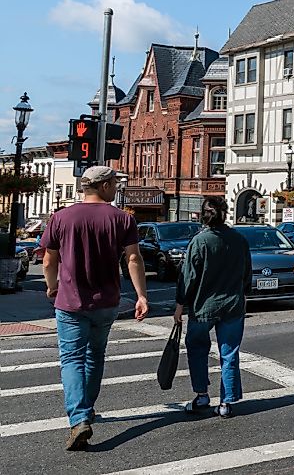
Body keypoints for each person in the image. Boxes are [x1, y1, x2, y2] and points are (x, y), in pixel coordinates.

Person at [42, 166, 149, 451]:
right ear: (103, 186)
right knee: (95, 356)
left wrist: (52, 287)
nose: (116, 187)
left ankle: (79, 419)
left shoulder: (61, 218)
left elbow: (49, 261)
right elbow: (134, 259)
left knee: (72, 359)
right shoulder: (121, 220)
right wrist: (141, 296)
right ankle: (86, 410)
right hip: (106, 302)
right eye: (114, 183)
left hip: (71, 302)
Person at [174, 197, 251, 419]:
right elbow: (247, 274)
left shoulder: (200, 242)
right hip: (233, 306)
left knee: (197, 348)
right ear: (225, 213)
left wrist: (180, 304)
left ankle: (201, 394)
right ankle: (227, 401)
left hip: (203, 307)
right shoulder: (239, 240)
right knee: (229, 353)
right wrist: (244, 294)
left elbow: (188, 277)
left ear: (203, 215)